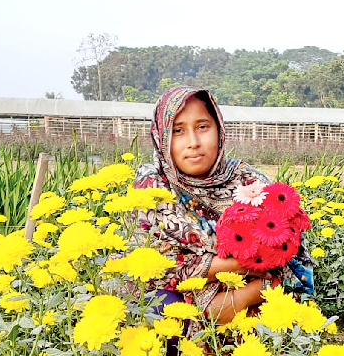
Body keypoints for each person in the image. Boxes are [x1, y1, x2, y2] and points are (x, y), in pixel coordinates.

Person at [129, 86, 313, 331]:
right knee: (157, 308)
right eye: (178, 131)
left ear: (219, 130)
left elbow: (291, 262)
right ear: (162, 138)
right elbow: (149, 268)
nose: (193, 143)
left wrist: (240, 298)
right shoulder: (152, 188)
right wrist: (230, 266)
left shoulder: (250, 182)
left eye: (202, 127)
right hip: (184, 307)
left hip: (254, 303)